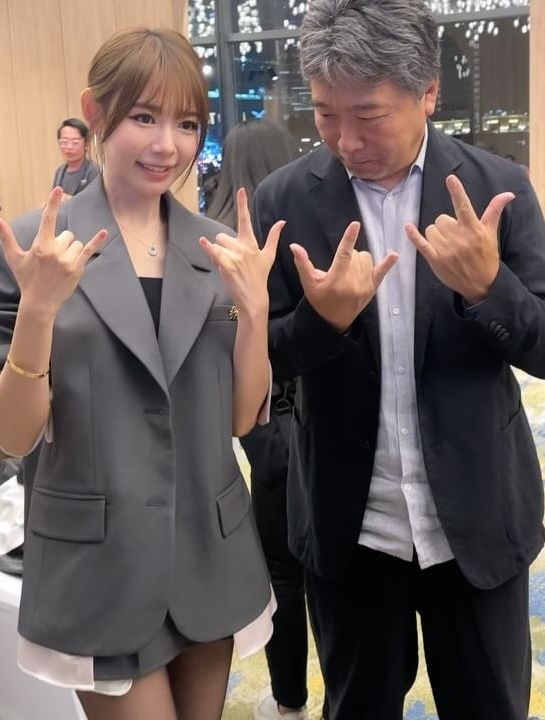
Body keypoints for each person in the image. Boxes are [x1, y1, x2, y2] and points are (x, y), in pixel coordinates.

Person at [251, 1, 545, 719]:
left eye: (368, 115)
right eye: (325, 114)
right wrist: (320, 322)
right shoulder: (285, 200)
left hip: (475, 517)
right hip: (352, 527)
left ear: (428, 91)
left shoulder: (497, 189)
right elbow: (259, 365)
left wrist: (490, 289)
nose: (345, 140)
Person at [0, 27, 284, 720]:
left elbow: (240, 418)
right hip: (99, 564)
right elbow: (16, 437)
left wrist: (256, 312)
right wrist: (38, 311)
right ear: (95, 111)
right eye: (144, 116)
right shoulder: (38, 250)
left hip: (208, 549)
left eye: (187, 124)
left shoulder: (217, 250)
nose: (166, 145)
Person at [207, 119, 313, 720]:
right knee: (328, 563)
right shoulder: (310, 225)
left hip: (260, 421)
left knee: (281, 569)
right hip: (316, 414)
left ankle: (288, 700)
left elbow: (220, 337)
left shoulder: (214, 239)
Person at [52, 118, 100, 199]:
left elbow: (97, 201)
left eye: (75, 142)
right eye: (64, 142)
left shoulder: (94, 171)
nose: (69, 147)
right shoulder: (59, 172)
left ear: (86, 144)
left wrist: (70, 200)